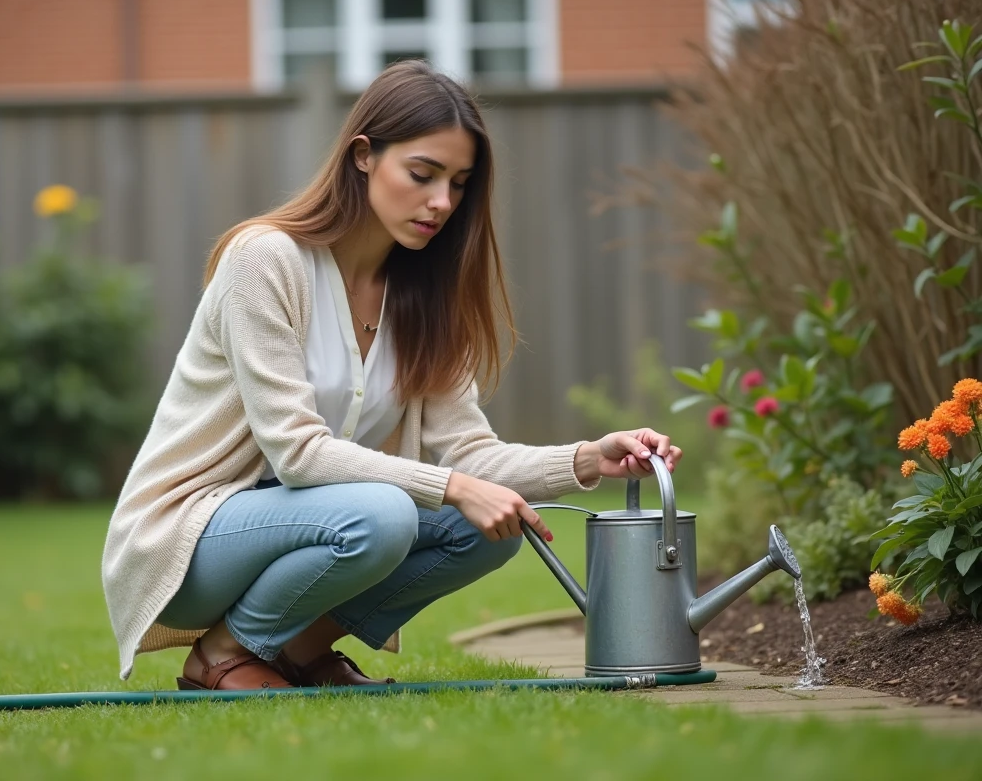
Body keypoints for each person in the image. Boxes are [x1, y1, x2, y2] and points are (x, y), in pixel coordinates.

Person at [101, 60, 683, 691]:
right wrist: (454, 485)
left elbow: (469, 453)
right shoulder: (265, 260)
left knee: (491, 530)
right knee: (384, 514)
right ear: (363, 156)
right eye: (422, 174)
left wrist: (590, 458)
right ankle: (222, 654)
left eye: (459, 184)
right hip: (191, 539)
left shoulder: (423, 296)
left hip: (314, 527)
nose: (442, 202)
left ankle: (298, 649)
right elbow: (297, 454)